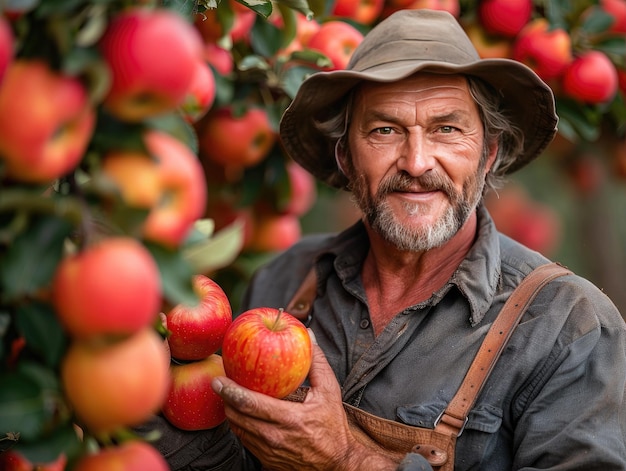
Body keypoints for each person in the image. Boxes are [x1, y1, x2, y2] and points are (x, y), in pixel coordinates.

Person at [137, 9, 626, 470]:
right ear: (347, 157)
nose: (416, 163)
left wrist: (344, 458)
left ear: (488, 154)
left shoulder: (568, 327)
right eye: (386, 130)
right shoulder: (285, 280)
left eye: (447, 129)